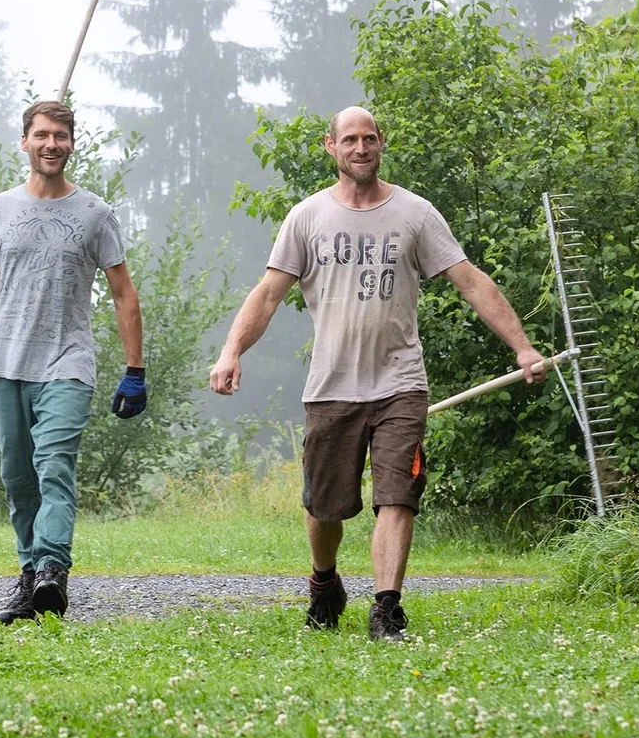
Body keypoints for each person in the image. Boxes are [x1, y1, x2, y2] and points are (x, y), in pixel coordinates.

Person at [209, 106, 546, 642]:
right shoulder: (307, 217)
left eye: (369, 138)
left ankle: (387, 608)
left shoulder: (415, 213)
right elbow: (269, 294)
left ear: (381, 142)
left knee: (398, 495)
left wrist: (522, 348)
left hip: (400, 383)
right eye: (350, 140)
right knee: (324, 507)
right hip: (332, 386)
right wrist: (231, 351)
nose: (360, 148)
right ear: (331, 146)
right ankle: (325, 583)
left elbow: (470, 281)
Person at [0, 100, 147, 624]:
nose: (51, 144)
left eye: (60, 135)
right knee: (18, 478)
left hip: (67, 362)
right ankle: (28, 576)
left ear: (72, 143)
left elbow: (124, 294)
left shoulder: (96, 214)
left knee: (54, 465)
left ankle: (52, 571)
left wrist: (135, 370)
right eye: (41, 135)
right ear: (25, 141)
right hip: (5, 364)